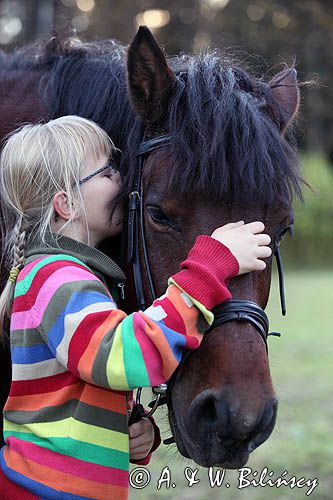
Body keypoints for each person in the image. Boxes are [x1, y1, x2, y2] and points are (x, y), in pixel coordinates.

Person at [0, 115, 272, 499]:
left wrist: (125, 428)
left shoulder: (65, 274)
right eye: (107, 170)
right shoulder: (56, 278)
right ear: (66, 203)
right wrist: (209, 269)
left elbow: (80, 383)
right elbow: (122, 355)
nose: (123, 179)